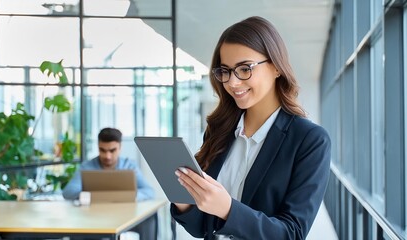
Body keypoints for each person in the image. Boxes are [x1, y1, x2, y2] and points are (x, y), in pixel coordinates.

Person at [171, 16, 331, 240]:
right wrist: (185, 202)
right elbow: (202, 229)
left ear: (276, 67)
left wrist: (228, 209)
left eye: (245, 69)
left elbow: (292, 234)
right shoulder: (219, 131)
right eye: (225, 71)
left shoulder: (310, 140)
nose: (233, 82)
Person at [62, 127, 155, 201]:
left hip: (124, 213)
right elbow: (68, 192)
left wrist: (126, 197)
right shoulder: (86, 167)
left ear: (120, 147)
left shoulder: (130, 166)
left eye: (112, 150)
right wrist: (98, 196)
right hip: (95, 214)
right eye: (102, 150)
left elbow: (149, 191)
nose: (107, 156)